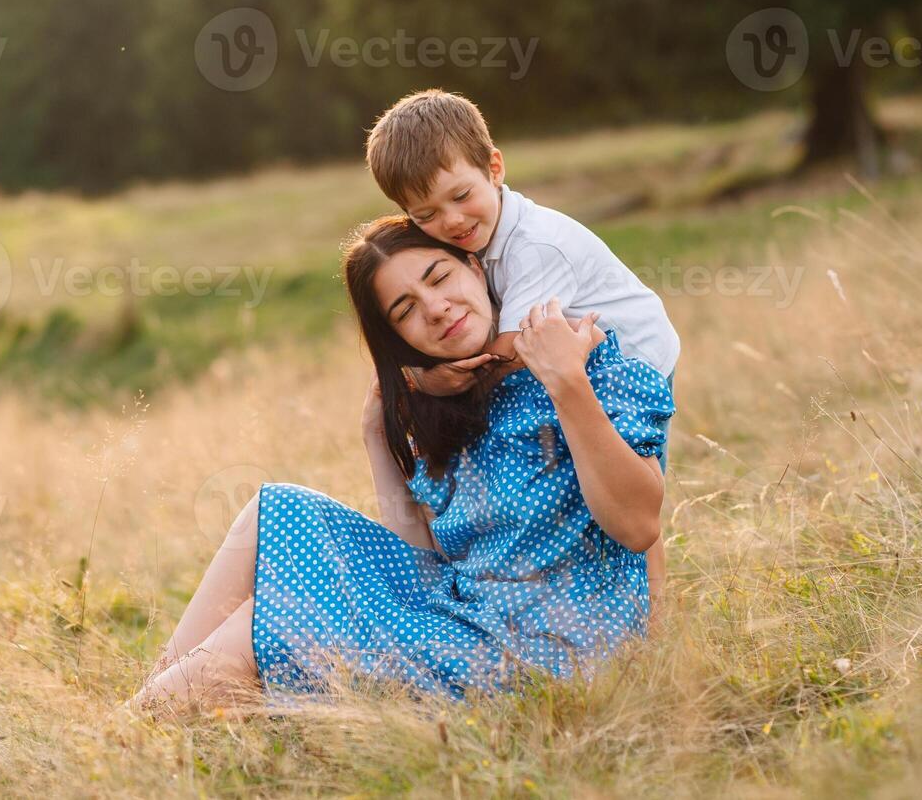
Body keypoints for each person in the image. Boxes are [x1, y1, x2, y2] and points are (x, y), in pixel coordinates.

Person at [126, 217, 674, 714]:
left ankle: (131, 732)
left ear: (474, 266)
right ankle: (148, 710)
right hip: (463, 623)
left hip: (552, 652)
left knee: (257, 628)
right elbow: (420, 564)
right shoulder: (454, 402)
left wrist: (567, 383)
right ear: (399, 339)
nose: (434, 308)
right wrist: (376, 437)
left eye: (439, 278)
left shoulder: (583, 356)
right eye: (405, 309)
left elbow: (640, 526)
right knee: (275, 507)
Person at [365, 88, 681, 599]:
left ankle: (656, 613)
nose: (450, 222)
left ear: (494, 167)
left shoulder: (535, 245)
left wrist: (432, 378)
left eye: (461, 196)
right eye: (425, 215)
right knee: (590, 476)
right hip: (584, 362)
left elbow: (514, 347)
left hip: (634, 363)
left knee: (633, 478)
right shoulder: (481, 237)